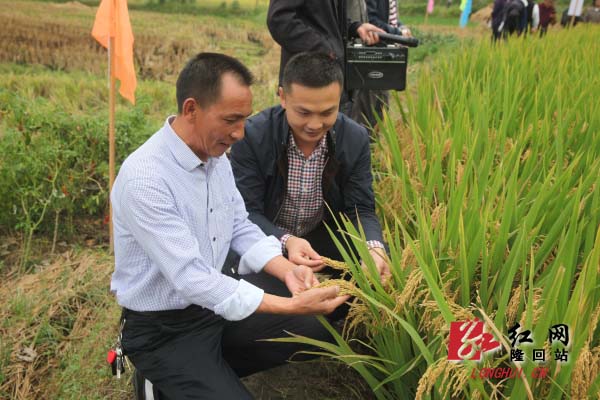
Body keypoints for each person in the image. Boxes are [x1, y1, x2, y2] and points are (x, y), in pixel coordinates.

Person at [110, 52, 349, 399]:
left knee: (319, 329)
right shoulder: (146, 179)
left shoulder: (215, 156)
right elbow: (191, 278)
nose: (240, 133)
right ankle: (159, 378)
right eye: (231, 120)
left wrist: (286, 271)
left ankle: (205, 373)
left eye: (245, 119)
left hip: (212, 311)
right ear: (192, 109)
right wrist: (288, 305)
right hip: (164, 330)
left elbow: (239, 225)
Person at [230, 52, 391, 287]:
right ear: (283, 97)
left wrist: (374, 247)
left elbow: (360, 208)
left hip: (321, 238)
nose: (315, 125)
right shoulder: (253, 136)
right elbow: (246, 213)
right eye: (304, 113)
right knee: (283, 312)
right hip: (267, 239)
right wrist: (286, 240)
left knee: (380, 271)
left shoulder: (354, 138)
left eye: (327, 113)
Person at [266, 0, 384, 117]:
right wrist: (324, 50)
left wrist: (355, 28)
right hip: (308, 84)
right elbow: (279, 20)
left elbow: (328, 20)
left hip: (335, 82)